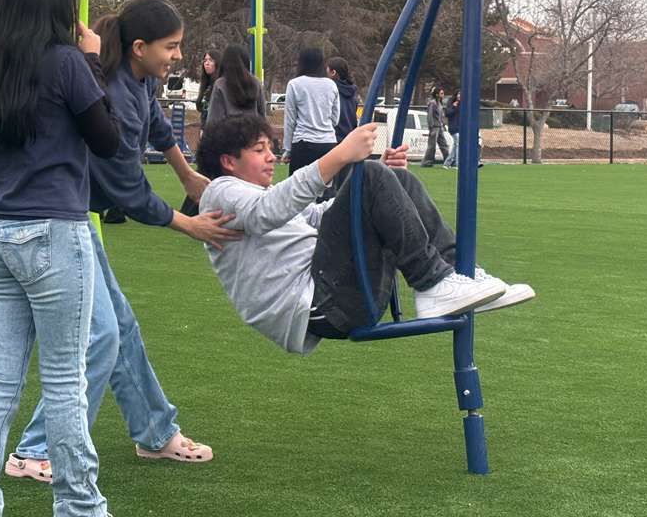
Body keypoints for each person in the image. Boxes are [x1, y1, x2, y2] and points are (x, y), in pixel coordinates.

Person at [6, 0, 230, 485]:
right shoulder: (112, 93)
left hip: (72, 217)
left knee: (120, 328)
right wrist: (189, 224)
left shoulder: (143, 80)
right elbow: (127, 190)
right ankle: (34, 450)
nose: (178, 56)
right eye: (171, 47)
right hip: (60, 219)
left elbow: (158, 125)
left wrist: (188, 175)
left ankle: (154, 432)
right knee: (101, 334)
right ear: (138, 47)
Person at [0, 0, 121, 516]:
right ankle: (81, 508)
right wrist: (96, 61)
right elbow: (109, 141)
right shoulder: (67, 62)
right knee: (65, 382)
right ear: (59, 1)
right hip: (52, 232)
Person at [196, 114, 534, 352]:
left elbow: (318, 216)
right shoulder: (221, 193)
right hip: (320, 303)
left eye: (270, 148)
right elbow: (266, 213)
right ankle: (432, 282)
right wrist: (339, 156)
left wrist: (383, 184)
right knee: (369, 175)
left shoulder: (254, 197)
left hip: (332, 290)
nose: (272, 157)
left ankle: (456, 273)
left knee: (391, 177)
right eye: (259, 150)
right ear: (228, 161)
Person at [283, 47, 339, 175]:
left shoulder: (294, 84)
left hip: (303, 143)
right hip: (328, 143)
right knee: (326, 190)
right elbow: (335, 119)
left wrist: (287, 148)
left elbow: (290, 120)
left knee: (298, 190)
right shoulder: (331, 85)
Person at [206, 44, 265, 127]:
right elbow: (262, 115)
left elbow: (213, 119)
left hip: (228, 136)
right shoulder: (256, 83)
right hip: (252, 135)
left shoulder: (220, 84)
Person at [443, 90, 482, 168]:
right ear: (456, 95)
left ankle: (447, 163)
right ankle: (457, 164)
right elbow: (448, 113)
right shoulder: (452, 103)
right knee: (458, 145)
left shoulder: (464, 105)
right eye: (459, 94)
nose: (460, 96)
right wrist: (454, 106)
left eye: (462, 95)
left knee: (456, 146)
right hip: (454, 128)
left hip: (461, 128)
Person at [327, 56, 358, 143]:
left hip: (334, 139)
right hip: (349, 139)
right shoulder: (352, 91)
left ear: (333, 72)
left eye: (327, 70)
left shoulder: (331, 91)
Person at [422, 87, 450, 168]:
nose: (443, 95)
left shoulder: (439, 103)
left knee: (444, 145)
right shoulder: (432, 103)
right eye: (441, 93)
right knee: (432, 146)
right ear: (437, 94)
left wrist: (443, 124)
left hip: (440, 127)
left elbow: (441, 116)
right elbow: (430, 115)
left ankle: (447, 161)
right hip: (434, 127)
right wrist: (431, 126)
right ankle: (427, 162)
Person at [195, 49, 218, 126]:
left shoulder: (221, 84)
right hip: (205, 128)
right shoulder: (206, 84)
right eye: (205, 61)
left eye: (210, 60)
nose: (207, 63)